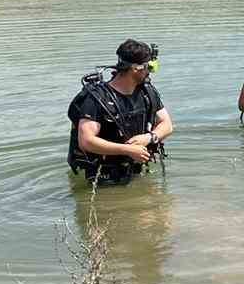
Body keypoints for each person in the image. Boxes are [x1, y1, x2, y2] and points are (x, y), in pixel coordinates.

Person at [67, 39, 173, 186]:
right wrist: (127, 150)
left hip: (136, 170)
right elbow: (86, 141)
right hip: (101, 177)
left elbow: (166, 124)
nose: (151, 72)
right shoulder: (96, 99)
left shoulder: (147, 93)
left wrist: (149, 137)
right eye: (150, 67)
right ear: (136, 68)